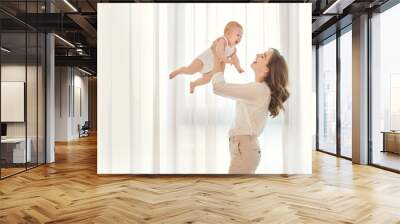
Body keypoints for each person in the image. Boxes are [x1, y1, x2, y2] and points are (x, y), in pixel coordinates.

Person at [211, 48, 290, 174]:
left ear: (266, 69)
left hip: (245, 149)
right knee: (236, 190)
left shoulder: (259, 90)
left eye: (263, 56)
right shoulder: (259, 89)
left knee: (233, 189)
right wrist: (222, 60)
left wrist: (218, 59)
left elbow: (218, 88)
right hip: (244, 148)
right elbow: (220, 87)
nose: (257, 54)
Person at [169, 21, 245, 93]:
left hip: (211, 67)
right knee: (190, 70)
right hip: (203, 60)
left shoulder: (233, 49)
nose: (239, 38)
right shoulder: (222, 40)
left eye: (241, 36)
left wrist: (238, 68)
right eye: (238, 35)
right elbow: (219, 52)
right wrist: (226, 60)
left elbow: (235, 59)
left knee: (207, 80)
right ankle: (178, 71)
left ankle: (194, 84)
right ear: (228, 34)